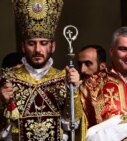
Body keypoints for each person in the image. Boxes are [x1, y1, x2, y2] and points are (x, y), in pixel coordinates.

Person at [0, 0, 86, 140]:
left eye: (43, 43)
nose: (38, 50)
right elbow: (3, 132)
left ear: (52, 46)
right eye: (31, 43)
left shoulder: (63, 78)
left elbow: (73, 125)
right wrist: (2, 103)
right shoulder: (7, 80)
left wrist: (73, 91)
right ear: (23, 46)